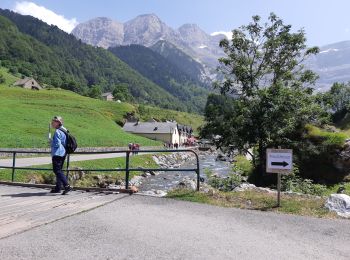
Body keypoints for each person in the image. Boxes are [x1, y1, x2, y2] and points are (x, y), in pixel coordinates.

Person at [50, 116, 71, 195]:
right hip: (63, 153)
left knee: (57, 170)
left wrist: (51, 142)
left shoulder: (57, 131)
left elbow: (57, 144)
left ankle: (67, 186)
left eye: (54, 122)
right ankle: (58, 188)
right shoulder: (65, 129)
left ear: (58, 123)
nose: (52, 123)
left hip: (57, 153)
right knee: (59, 170)